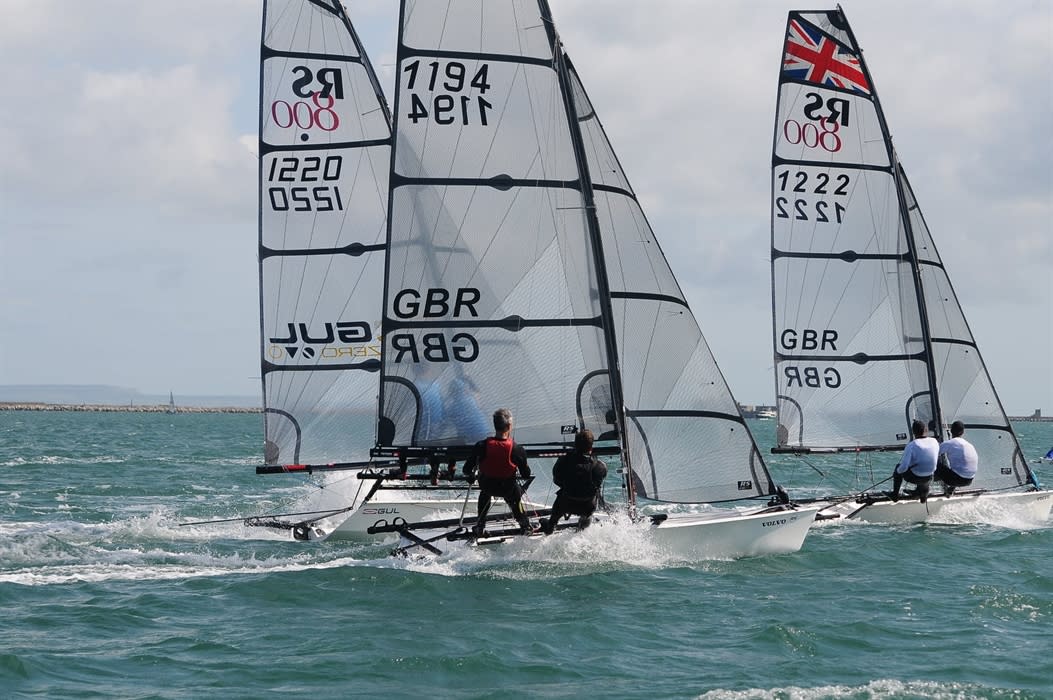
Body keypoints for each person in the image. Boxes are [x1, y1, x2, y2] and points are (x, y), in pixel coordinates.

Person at [462, 408, 534, 536]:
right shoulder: (517, 449)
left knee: (484, 494)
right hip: (507, 488)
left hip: (487, 486)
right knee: (515, 494)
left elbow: (466, 469)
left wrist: (471, 475)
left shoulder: (481, 446)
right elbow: (526, 475)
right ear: (509, 426)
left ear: (495, 425)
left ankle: (480, 525)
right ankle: (524, 524)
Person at [541, 429, 607, 535]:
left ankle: (551, 525)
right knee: (591, 503)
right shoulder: (600, 466)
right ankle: (582, 529)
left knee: (559, 503)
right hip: (587, 506)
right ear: (591, 447)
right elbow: (598, 483)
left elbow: (556, 480)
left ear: (575, 445)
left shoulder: (564, 461)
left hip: (566, 503)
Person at [888, 419, 939, 503]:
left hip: (915, 478)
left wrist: (897, 473)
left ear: (913, 432)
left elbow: (903, 468)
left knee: (899, 467)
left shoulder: (912, 445)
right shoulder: (934, 441)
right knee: (926, 470)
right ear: (925, 430)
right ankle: (922, 496)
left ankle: (894, 495)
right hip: (929, 477)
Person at [935, 420, 977, 497]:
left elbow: (933, 454)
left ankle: (923, 489)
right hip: (969, 480)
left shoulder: (949, 443)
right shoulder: (970, 445)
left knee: (931, 461)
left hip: (955, 479)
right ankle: (951, 490)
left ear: (951, 431)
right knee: (958, 468)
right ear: (963, 432)